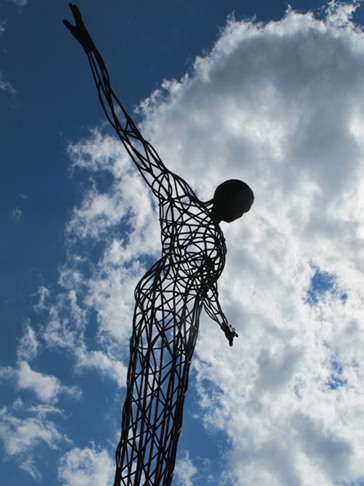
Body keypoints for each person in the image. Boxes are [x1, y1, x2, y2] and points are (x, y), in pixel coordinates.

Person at [64, 5, 254, 485]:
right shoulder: (182, 201)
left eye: (244, 210)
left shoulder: (220, 249)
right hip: (156, 301)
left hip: (184, 322)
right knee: (144, 404)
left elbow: (207, 292)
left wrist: (226, 325)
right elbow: (130, 134)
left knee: (167, 412)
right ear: (223, 194)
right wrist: (93, 54)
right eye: (239, 202)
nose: (239, 213)